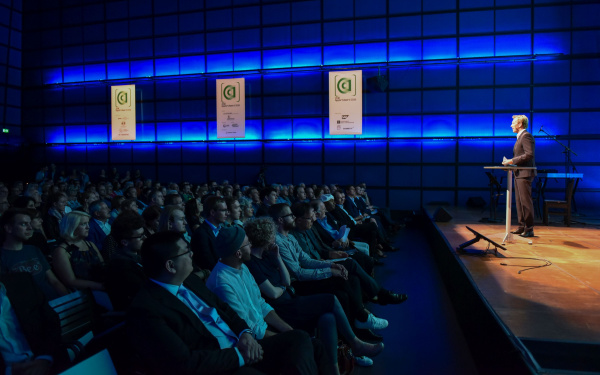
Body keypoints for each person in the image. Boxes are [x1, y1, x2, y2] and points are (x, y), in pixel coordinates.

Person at [127, 231, 328, 375]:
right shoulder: (147, 309)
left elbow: (225, 310)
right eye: (186, 252)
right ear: (171, 266)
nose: (192, 255)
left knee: (300, 339)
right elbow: (184, 363)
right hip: (221, 363)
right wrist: (240, 355)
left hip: (242, 344)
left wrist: (245, 334)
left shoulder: (189, 280)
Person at [243, 218, 384, 374]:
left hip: (291, 298)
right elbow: (273, 293)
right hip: (281, 308)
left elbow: (287, 281)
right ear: (264, 236)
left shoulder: (270, 255)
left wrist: (277, 258)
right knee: (331, 299)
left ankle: (334, 370)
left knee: (328, 317)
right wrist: (283, 286)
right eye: (271, 235)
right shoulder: (252, 264)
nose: (274, 237)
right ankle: (355, 343)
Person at [1, 208, 69, 300]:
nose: (30, 227)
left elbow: (53, 281)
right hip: (30, 308)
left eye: (29, 223)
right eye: (23, 224)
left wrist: (68, 300)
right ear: (8, 228)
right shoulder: (2, 256)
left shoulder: (33, 249)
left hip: (54, 301)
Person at [104, 211, 147, 311]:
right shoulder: (121, 266)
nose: (144, 238)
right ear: (124, 242)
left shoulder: (137, 256)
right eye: (140, 236)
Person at [502, 114, 537, 238]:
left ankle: (529, 228)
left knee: (525, 202)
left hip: (525, 173)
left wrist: (511, 161)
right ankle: (522, 226)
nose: (511, 125)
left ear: (520, 124)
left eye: (513, 123)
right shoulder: (519, 137)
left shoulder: (526, 136)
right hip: (518, 173)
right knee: (519, 201)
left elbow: (529, 154)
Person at [52, 211, 105, 291]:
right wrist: (101, 286)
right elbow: (70, 281)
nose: (88, 227)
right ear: (72, 226)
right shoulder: (62, 251)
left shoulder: (90, 244)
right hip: (83, 293)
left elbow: (103, 266)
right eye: (83, 224)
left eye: (88, 223)